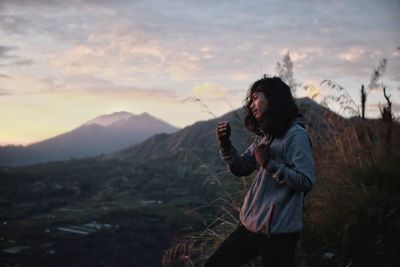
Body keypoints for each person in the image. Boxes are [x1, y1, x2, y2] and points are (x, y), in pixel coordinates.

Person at [206, 76, 315, 267]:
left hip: (279, 235)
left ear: (273, 98)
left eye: (255, 98)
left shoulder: (296, 136)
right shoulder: (266, 136)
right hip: (250, 225)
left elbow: (306, 181)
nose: (251, 104)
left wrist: (269, 164)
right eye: (250, 100)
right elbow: (242, 167)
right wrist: (225, 145)